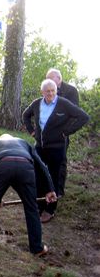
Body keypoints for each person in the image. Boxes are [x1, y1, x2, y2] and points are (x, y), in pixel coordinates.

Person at [0, 134, 58, 255]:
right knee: (31, 207)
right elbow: (42, 166)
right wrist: (50, 189)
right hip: (25, 168)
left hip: (3, 166)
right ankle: (37, 248)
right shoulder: (24, 143)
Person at [22, 79, 89, 223]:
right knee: (38, 175)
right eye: (47, 91)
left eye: (53, 91)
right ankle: (39, 205)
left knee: (54, 177)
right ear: (42, 92)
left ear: (56, 90)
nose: (51, 93)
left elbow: (83, 117)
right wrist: (32, 131)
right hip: (40, 147)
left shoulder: (63, 104)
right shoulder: (37, 103)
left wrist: (66, 132)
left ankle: (50, 209)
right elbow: (25, 115)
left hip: (57, 148)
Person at [46, 68, 80, 196]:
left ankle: (58, 191)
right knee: (46, 160)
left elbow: (75, 114)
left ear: (58, 78)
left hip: (62, 133)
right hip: (48, 133)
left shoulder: (71, 91)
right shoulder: (48, 90)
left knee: (60, 161)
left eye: (50, 78)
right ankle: (48, 188)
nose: (47, 81)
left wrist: (65, 131)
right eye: (46, 78)